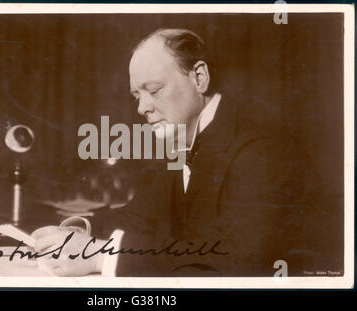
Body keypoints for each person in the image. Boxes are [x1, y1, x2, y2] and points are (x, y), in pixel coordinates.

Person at [31, 28, 319, 277]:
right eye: (136, 95)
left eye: (154, 90)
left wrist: (99, 255)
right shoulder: (183, 139)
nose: (141, 108)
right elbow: (141, 215)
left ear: (200, 78)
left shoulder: (261, 147)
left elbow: (238, 260)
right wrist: (78, 230)